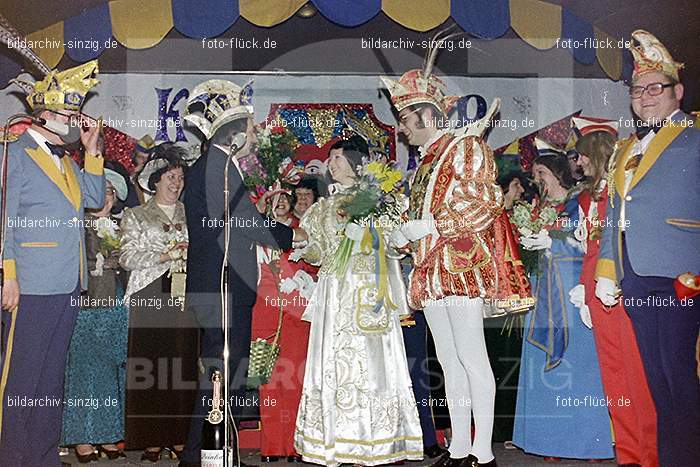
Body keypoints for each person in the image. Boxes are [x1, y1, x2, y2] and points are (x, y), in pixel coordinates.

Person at [380, 45, 531, 467]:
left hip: (462, 267)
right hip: (432, 271)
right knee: (448, 361)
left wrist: (425, 228)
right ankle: (459, 445)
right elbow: (424, 216)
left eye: (407, 121)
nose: (404, 131)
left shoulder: (466, 148)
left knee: (471, 356)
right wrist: (405, 237)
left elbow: (483, 202)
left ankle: (483, 453)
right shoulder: (425, 163)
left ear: (429, 116)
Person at [179, 79, 306, 467]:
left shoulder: (219, 166)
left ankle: (214, 451)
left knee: (224, 370)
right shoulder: (217, 165)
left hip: (224, 283)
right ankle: (205, 454)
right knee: (221, 368)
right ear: (233, 134)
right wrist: (291, 234)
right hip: (222, 285)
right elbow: (239, 222)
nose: (254, 134)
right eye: (249, 128)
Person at [594, 30, 700, 467]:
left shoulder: (694, 136)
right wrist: (605, 270)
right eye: (638, 90)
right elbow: (613, 213)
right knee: (656, 377)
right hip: (634, 274)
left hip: (681, 273)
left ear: (678, 91)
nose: (645, 96)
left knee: (679, 374)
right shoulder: (625, 148)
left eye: (656, 88)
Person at [293, 137, 423, 466]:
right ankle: (336, 441)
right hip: (335, 293)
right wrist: (299, 243)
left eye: (337, 157)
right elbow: (317, 250)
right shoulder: (321, 207)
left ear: (356, 161)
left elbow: (396, 245)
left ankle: (377, 440)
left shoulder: (380, 200)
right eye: (329, 159)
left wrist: (370, 229)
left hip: (369, 290)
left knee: (375, 364)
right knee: (333, 363)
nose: (331, 164)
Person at [0, 59, 105, 467]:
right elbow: (4, 220)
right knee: (21, 378)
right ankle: (12, 457)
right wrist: (8, 275)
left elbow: (94, 200)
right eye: (67, 113)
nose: (73, 120)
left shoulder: (66, 159)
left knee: (50, 378)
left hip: (67, 283)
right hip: (30, 283)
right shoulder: (16, 153)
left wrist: (93, 151)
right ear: (44, 113)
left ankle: (42, 456)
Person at [512, 148, 613, 460]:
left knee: (581, 364)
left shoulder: (579, 201)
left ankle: (590, 442)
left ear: (557, 174)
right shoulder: (535, 207)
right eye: (535, 175)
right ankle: (549, 442)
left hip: (571, 290)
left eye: (541, 173)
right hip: (542, 288)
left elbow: (587, 241)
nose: (537, 180)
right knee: (541, 365)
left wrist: (551, 238)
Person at [570, 116, 658, 467]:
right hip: (597, 292)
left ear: (595, 150)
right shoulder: (591, 196)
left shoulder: (622, 186)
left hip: (621, 290)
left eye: (581, 155)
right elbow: (594, 247)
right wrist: (583, 285)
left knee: (637, 379)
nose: (578, 162)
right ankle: (629, 456)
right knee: (615, 381)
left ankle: (649, 456)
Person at [119, 147, 197, 462]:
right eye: (170, 177)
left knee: (182, 366)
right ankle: (151, 437)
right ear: (155, 180)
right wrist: (165, 255)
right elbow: (126, 257)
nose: (176, 183)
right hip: (149, 295)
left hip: (183, 297)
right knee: (149, 368)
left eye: (180, 177)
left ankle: (179, 436)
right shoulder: (135, 215)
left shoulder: (191, 213)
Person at [60, 170, 130, 463]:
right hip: (87, 303)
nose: (107, 197)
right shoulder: (77, 224)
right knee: (85, 370)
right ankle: (83, 437)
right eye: (103, 191)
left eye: (112, 192)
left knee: (111, 370)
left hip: (114, 301)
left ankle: (109, 433)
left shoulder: (123, 224)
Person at [253, 191, 316, 463]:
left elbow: (314, 266)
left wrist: (303, 280)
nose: (279, 204)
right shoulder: (254, 233)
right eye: (273, 199)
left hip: (296, 314)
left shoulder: (301, 233)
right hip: (263, 313)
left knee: (295, 380)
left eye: (284, 199)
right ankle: (271, 447)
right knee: (266, 380)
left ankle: (294, 445)